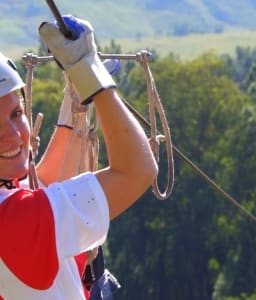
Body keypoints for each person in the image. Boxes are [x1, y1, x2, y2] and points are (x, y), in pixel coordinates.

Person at [0, 15, 158, 300]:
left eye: (16, 114)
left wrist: (72, 110)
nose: (11, 135)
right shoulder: (15, 222)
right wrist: (89, 70)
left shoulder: (13, 206)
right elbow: (136, 171)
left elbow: (42, 187)